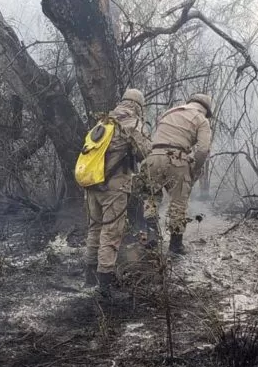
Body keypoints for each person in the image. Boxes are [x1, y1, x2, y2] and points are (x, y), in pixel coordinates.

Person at [85, 89, 150, 297]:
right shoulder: (132, 123)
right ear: (138, 106)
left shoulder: (103, 123)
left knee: (94, 228)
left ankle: (89, 277)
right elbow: (145, 151)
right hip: (114, 186)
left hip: (92, 185)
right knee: (111, 232)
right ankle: (105, 284)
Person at [141, 93, 213, 255]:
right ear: (206, 109)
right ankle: (175, 246)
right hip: (177, 159)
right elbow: (203, 150)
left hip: (153, 158)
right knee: (178, 203)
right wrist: (194, 169)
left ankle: (152, 235)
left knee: (151, 198)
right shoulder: (202, 120)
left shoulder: (169, 113)